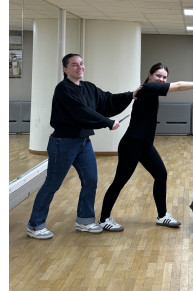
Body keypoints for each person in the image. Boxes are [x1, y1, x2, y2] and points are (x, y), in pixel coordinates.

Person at [27, 53, 139, 240]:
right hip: (63, 142)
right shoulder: (63, 89)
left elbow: (107, 100)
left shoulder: (88, 88)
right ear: (65, 69)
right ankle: (35, 224)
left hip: (83, 141)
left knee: (91, 180)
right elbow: (81, 111)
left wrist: (131, 95)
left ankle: (85, 220)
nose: (79, 67)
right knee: (53, 183)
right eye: (74, 65)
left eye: (81, 64)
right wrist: (107, 122)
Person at [98, 63, 193, 231]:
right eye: (158, 75)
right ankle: (103, 219)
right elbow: (178, 86)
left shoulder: (151, 90)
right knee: (120, 182)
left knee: (161, 174)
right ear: (150, 75)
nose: (161, 79)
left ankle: (162, 215)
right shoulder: (148, 87)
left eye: (164, 77)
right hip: (132, 144)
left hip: (145, 144)